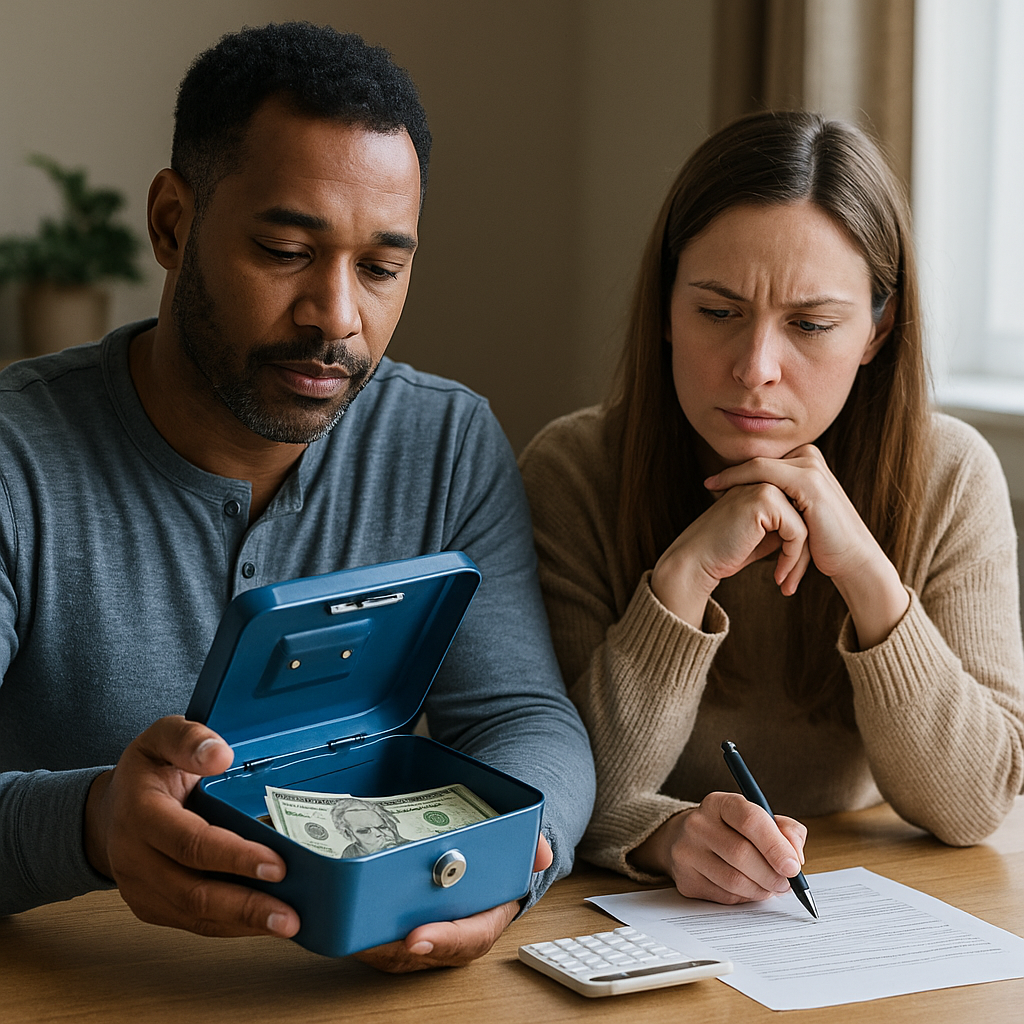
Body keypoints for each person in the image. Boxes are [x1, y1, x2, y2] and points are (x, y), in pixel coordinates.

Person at [0, 22, 594, 971]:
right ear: (170, 224)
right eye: (284, 250)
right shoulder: (14, 457)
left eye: (382, 268)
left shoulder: (446, 441)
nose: (338, 316)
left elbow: (523, 717)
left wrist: (508, 869)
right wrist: (90, 822)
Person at [519, 110, 1024, 908]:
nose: (755, 369)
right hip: (644, 913)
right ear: (664, 307)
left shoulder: (951, 475)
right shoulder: (575, 470)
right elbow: (566, 796)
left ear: (877, 330)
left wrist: (863, 569)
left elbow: (973, 805)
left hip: (877, 893)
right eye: (717, 313)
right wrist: (682, 580)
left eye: (812, 325)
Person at [331, 799, 406, 857]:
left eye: (383, 827)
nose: (379, 834)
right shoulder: (350, 853)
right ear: (348, 834)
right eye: (365, 831)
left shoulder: (411, 847)